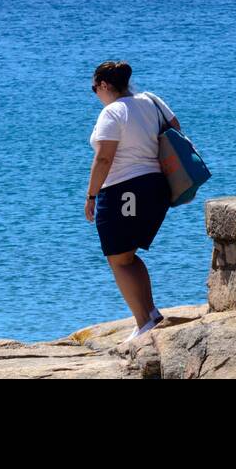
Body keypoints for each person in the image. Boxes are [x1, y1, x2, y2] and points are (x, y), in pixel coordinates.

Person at [85, 61, 178, 341]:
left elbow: (103, 158)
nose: (96, 94)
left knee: (118, 259)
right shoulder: (151, 101)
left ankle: (143, 322)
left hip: (126, 191)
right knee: (128, 256)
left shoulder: (111, 113)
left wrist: (91, 195)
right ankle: (149, 315)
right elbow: (175, 130)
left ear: (103, 85)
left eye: (94, 88)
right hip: (157, 187)